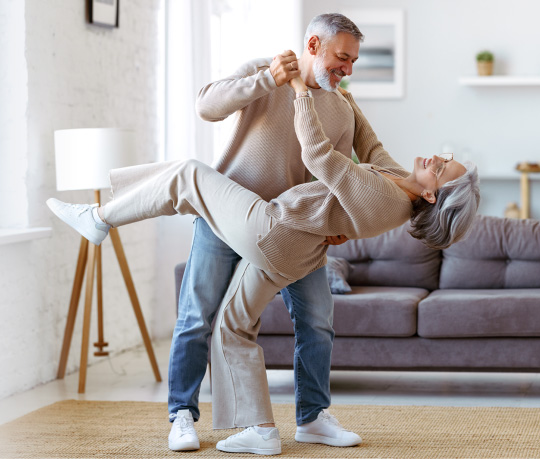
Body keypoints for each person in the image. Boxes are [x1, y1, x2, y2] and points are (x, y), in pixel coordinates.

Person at [46, 75, 480, 455]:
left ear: (431, 197)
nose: (434, 159)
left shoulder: (385, 199)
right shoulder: (397, 181)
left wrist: (298, 91)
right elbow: (372, 144)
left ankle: (100, 218)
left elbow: (320, 158)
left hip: (271, 230)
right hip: (296, 247)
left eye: (441, 169)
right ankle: (262, 429)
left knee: (188, 175)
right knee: (232, 325)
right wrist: (346, 101)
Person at [167, 13, 400, 452]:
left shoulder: (343, 105)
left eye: (352, 61)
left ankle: (312, 417)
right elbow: (205, 106)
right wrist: (267, 79)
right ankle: (182, 414)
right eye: (341, 58)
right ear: (313, 45)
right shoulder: (264, 70)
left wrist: (344, 219)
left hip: (294, 233)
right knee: (197, 316)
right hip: (225, 220)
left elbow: (364, 170)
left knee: (317, 321)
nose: (347, 69)